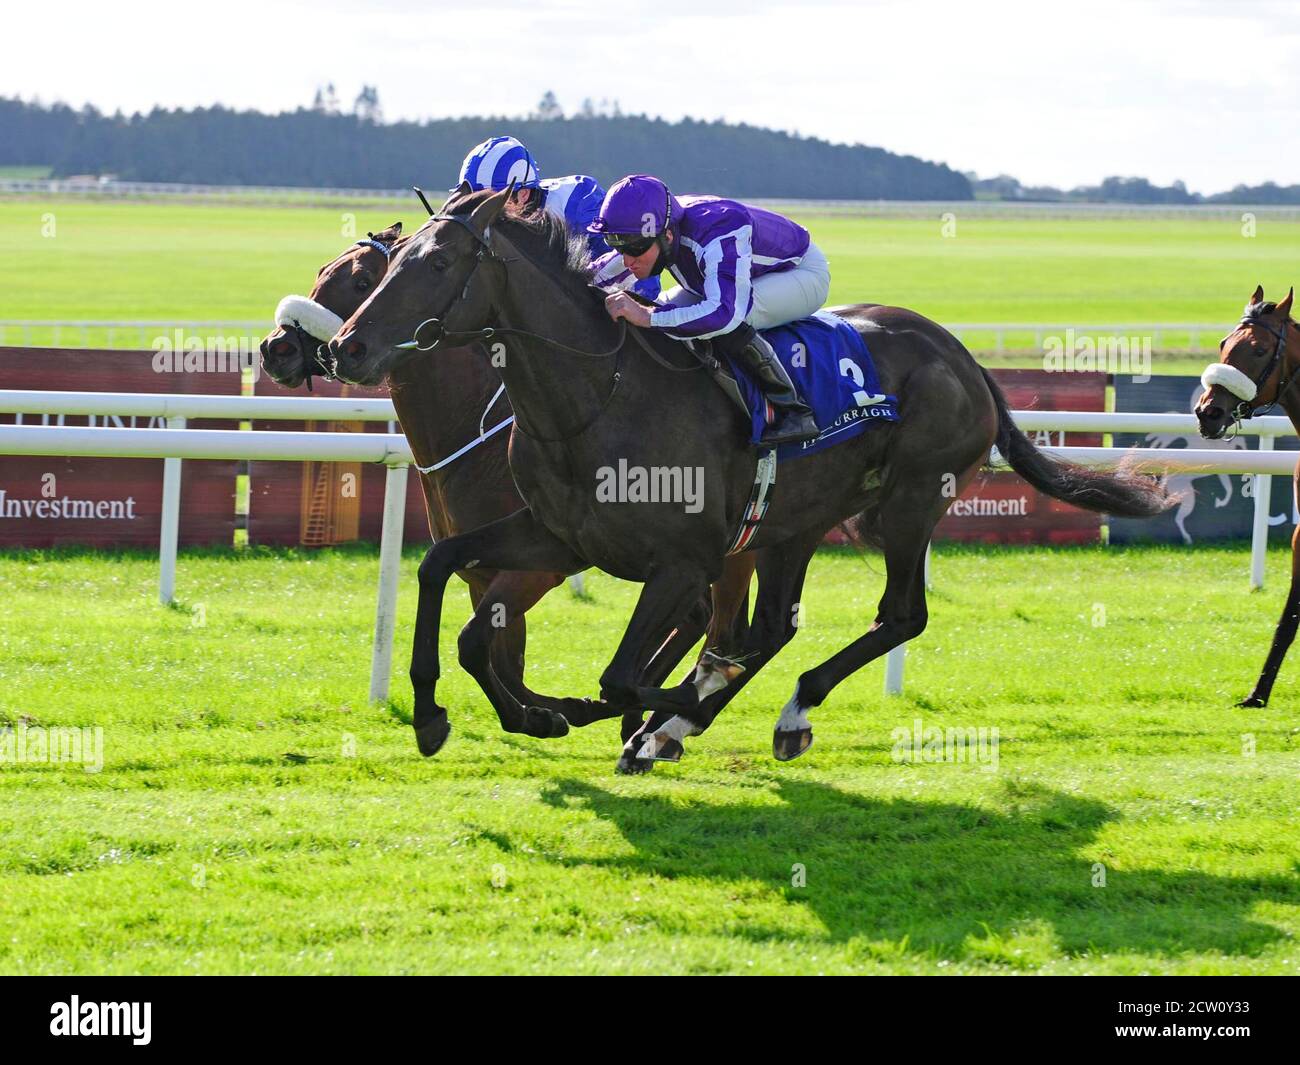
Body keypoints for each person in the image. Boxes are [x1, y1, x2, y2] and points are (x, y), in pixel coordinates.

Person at [587, 174, 826, 446]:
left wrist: (647, 316)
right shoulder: (653, 231)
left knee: (725, 319)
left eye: (634, 249)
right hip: (733, 275)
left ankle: (792, 410)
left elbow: (724, 314)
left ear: (666, 236)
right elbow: (595, 276)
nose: (628, 260)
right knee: (665, 311)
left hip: (800, 272)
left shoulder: (718, 228)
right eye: (618, 246)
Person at [455, 136, 659, 299]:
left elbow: (642, 275)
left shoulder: (577, 201)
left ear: (523, 194)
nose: (483, 210)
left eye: (492, 200)